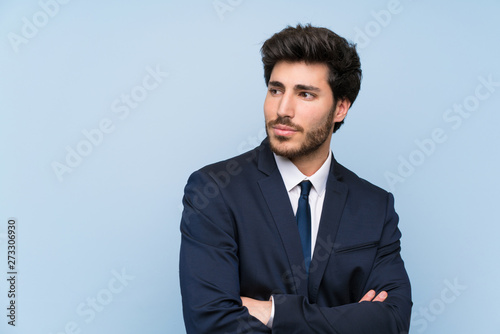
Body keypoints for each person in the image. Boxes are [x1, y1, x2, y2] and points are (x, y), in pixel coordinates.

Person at [179, 24, 411, 333]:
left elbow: (391, 322)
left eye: (305, 94)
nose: (283, 109)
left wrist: (274, 311)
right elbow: (211, 323)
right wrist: (351, 319)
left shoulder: (375, 206)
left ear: (340, 107)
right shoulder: (214, 190)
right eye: (276, 90)